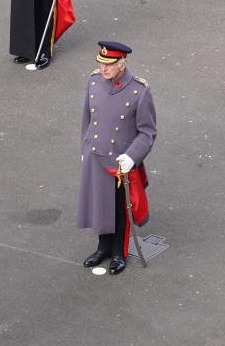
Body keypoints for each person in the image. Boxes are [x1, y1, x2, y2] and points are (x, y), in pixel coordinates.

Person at [77, 42, 157, 276]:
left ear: (122, 65)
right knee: (100, 204)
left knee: (120, 209)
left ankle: (119, 253)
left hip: (120, 160)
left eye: (108, 65)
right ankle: (103, 248)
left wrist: (132, 157)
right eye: (101, 64)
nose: (103, 69)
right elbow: (87, 119)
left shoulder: (139, 91)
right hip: (96, 155)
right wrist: (85, 147)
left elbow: (147, 132)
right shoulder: (93, 82)